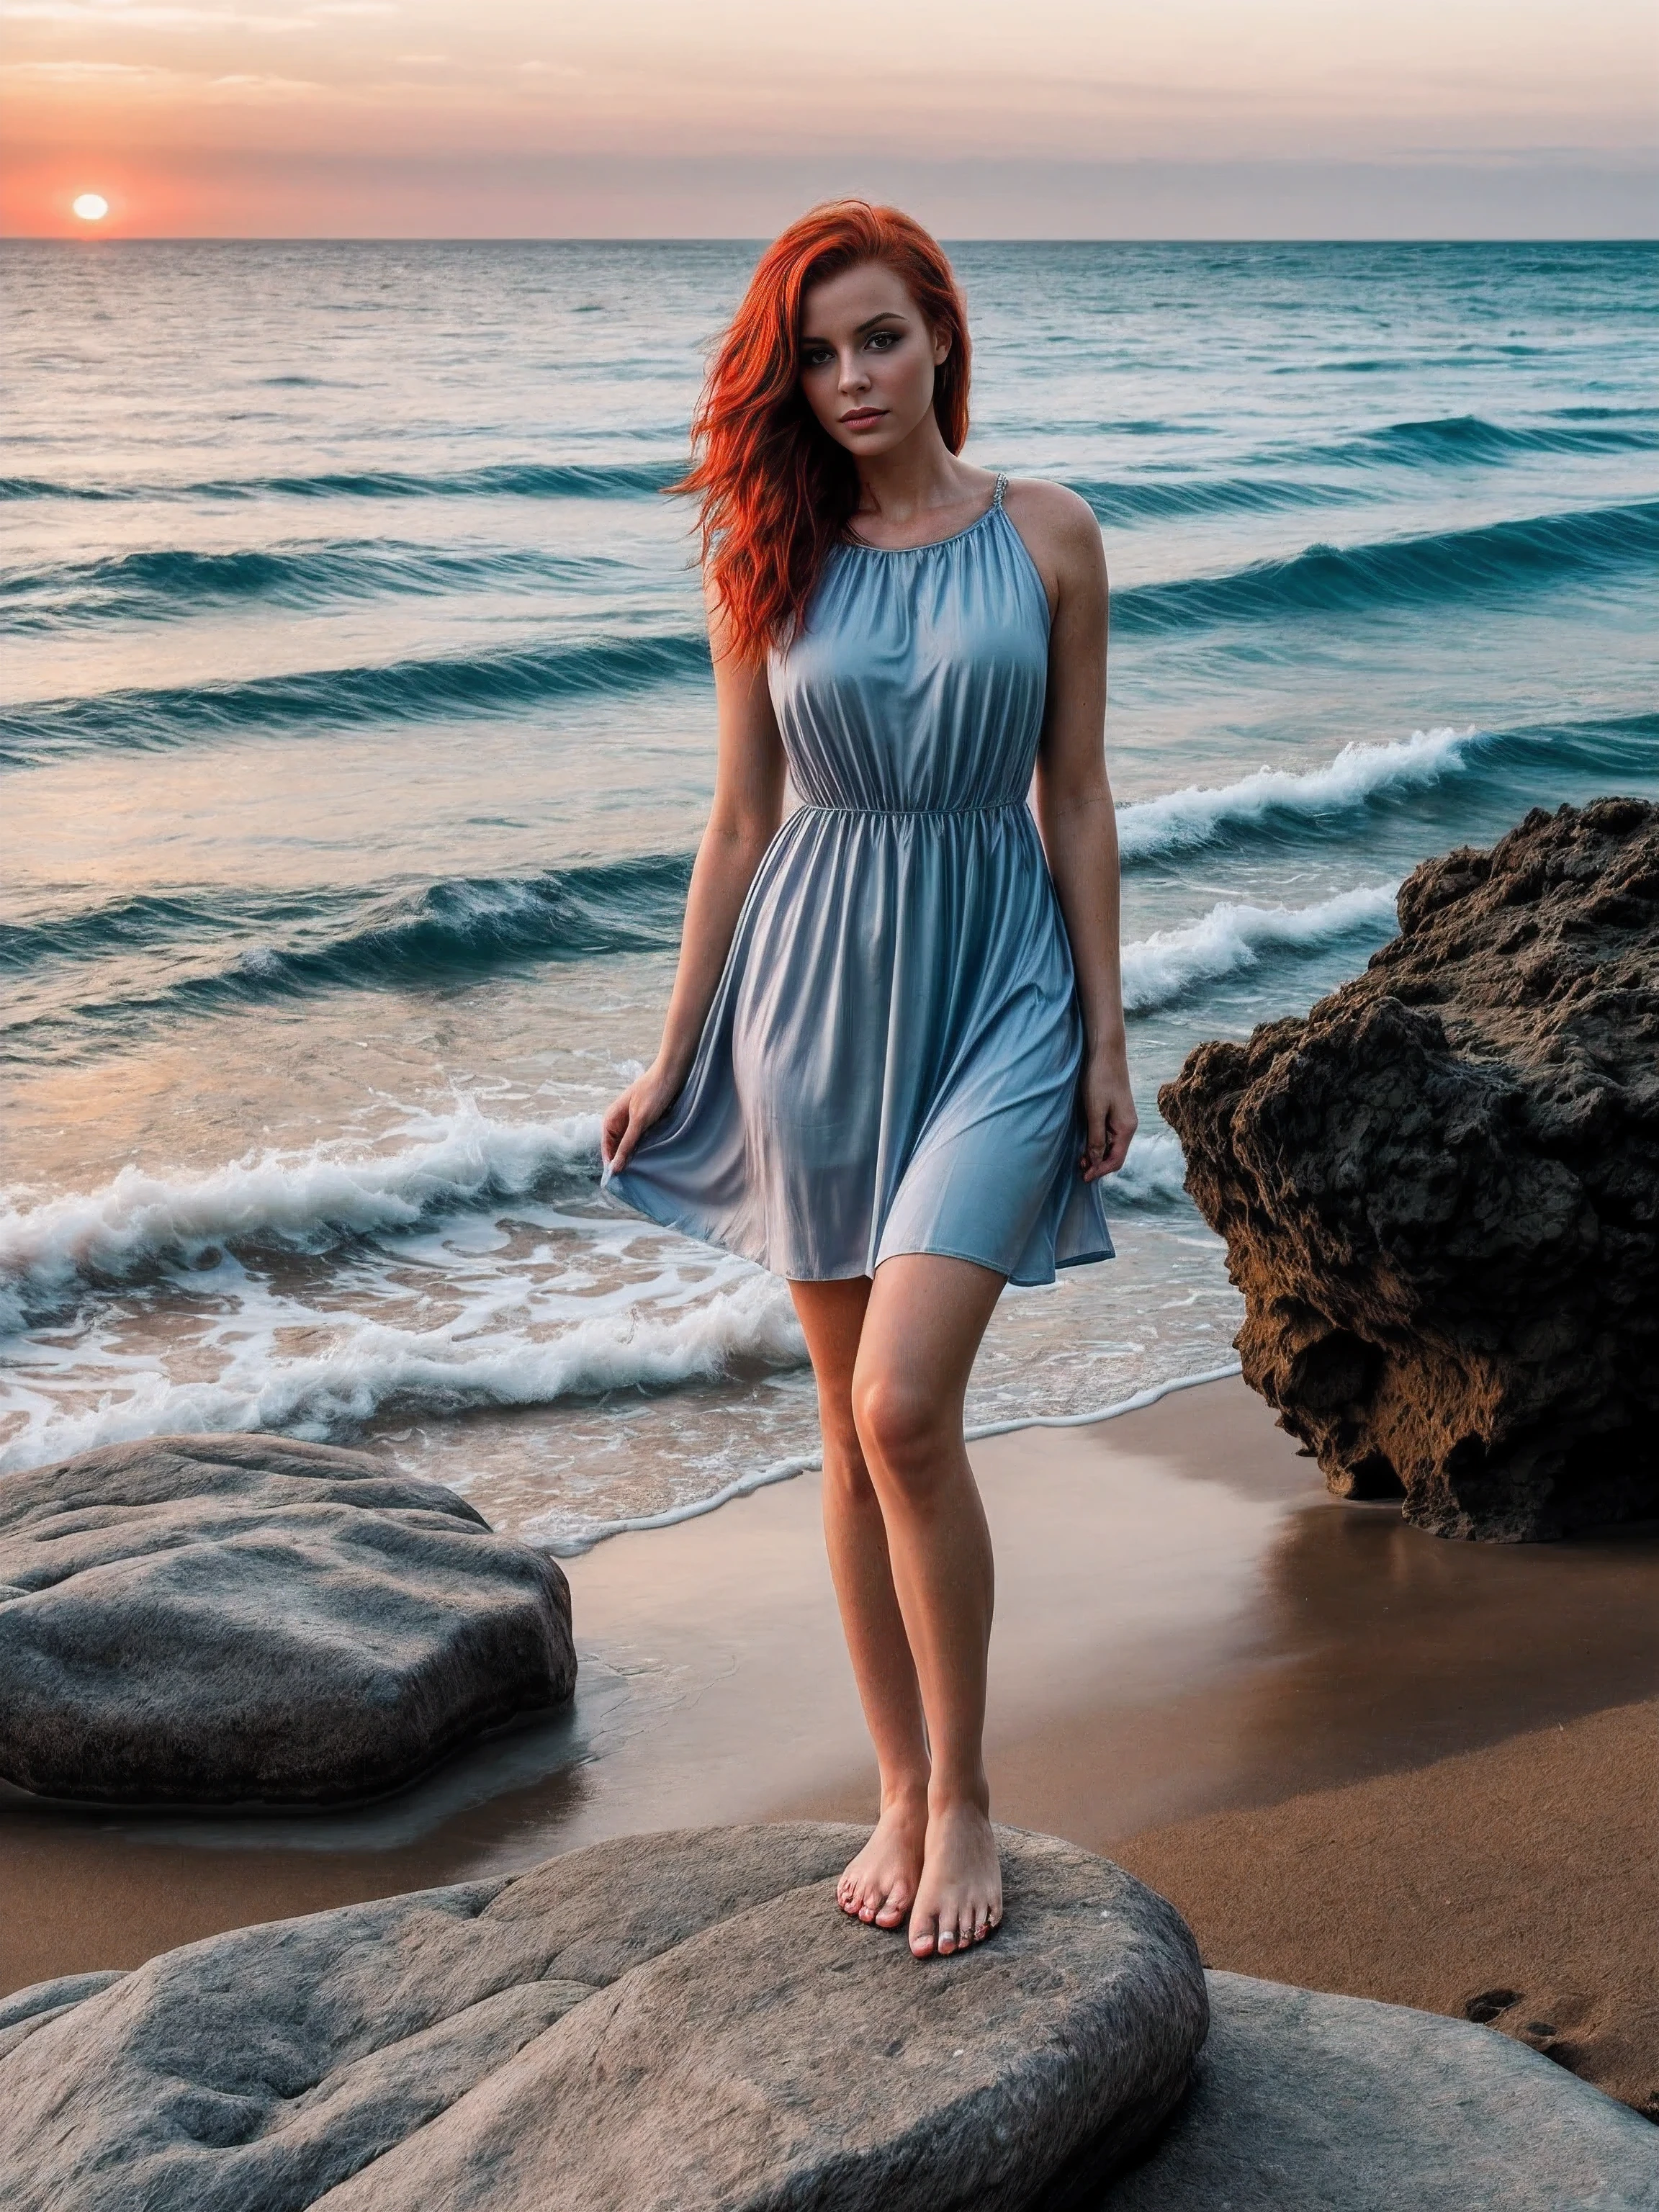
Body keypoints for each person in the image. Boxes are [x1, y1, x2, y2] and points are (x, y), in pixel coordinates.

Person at [602, 201, 1134, 1960]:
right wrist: (677, 1050)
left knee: (906, 1407)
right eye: (819, 350)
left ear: (941, 339)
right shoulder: (766, 555)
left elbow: (1076, 798)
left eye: (881, 337)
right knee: (846, 1429)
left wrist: (1110, 1036)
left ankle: (969, 1794)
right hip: (816, 994)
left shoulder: (1050, 535)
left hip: (1000, 988)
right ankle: (896, 1788)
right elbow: (741, 818)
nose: (850, 376)